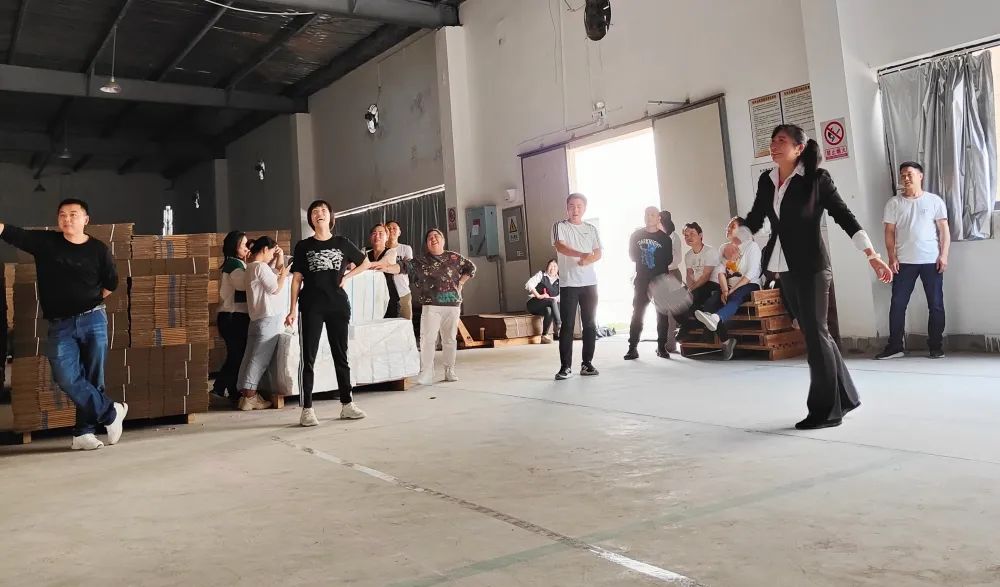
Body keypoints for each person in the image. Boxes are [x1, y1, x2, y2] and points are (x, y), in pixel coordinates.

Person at [746, 124, 892, 430]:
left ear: (799, 148)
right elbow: (756, 218)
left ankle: (826, 412)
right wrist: (738, 240)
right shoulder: (767, 180)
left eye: (781, 140)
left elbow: (844, 216)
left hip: (813, 267)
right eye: (772, 141)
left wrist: (872, 255)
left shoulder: (816, 179)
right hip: (784, 267)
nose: (774, 145)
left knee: (815, 336)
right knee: (816, 333)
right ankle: (846, 397)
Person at [0, 199, 127, 450]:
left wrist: (88, 301)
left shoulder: (98, 249)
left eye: (73, 214)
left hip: (93, 319)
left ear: (86, 219)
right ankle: (111, 412)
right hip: (61, 325)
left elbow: (111, 283)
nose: (67, 219)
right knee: (65, 376)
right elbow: (15, 234)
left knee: (93, 377)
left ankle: (83, 434)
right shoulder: (46, 243)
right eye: (62, 215)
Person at [287, 200, 370, 427]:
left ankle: (347, 404)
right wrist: (292, 309)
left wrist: (347, 277)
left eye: (323, 210)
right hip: (311, 306)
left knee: (341, 356)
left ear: (330, 216)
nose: (319, 214)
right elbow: (296, 279)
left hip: (338, 306)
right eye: (315, 212)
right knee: (308, 358)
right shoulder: (303, 246)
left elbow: (365, 263)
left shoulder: (342, 243)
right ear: (311, 219)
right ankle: (307, 409)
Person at [380, 229, 476, 385]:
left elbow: (471, 268)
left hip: (452, 304)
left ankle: (449, 370)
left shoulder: (454, 257)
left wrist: (461, 282)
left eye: (436, 236)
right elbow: (403, 267)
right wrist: (386, 267)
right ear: (427, 244)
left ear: (443, 240)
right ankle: (426, 372)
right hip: (431, 305)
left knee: (449, 339)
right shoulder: (421, 261)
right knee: (428, 340)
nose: (433, 239)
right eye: (430, 237)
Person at [876, 161, 950, 360]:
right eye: (902, 175)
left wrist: (943, 255)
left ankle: (936, 346)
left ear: (920, 176)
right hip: (904, 262)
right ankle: (895, 347)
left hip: (931, 261)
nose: (906, 178)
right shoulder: (894, 203)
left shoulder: (934, 201)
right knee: (898, 304)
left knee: (936, 304)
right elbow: (889, 232)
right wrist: (892, 257)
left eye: (909, 174)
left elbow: (944, 230)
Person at [234, 236, 290, 411]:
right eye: (272, 252)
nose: (272, 255)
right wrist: (284, 274)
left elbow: (272, 274)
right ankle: (250, 396)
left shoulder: (251, 267)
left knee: (250, 356)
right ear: (265, 249)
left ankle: (245, 394)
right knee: (259, 359)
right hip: (268, 318)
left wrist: (279, 260)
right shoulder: (260, 267)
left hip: (256, 318)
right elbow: (275, 288)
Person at [552, 193, 602, 380]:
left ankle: (587, 364)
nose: (575, 210)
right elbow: (561, 247)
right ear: (567, 208)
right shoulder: (560, 226)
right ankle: (565, 367)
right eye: (572, 206)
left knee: (590, 324)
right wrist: (581, 254)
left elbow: (598, 252)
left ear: (584, 208)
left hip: (590, 283)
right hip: (569, 283)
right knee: (567, 325)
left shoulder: (591, 228)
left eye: (579, 206)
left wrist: (588, 259)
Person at [695, 240, 763, 360]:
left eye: (733, 252)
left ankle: (715, 318)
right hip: (730, 287)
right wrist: (725, 291)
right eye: (727, 255)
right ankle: (726, 341)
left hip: (749, 285)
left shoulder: (750, 249)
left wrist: (732, 290)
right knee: (710, 303)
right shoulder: (724, 250)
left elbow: (750, 275)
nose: (730, 257)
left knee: (735, 298)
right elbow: (721, 273)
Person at [625, 206, 674, 360]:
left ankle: (661, 347)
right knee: (638, 312)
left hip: (660, 279)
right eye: (647, 214)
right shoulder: (636, 235)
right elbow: (632, 256)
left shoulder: (665, 238)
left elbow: (669, 259)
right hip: (642, 279)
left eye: (653, 214)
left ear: (658, 218)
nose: (649, 217)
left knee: (662, 313)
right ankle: (632, 348)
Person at [213, 230, 251, 407]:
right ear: (234, 247)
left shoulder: (238, 263)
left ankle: (227, 389)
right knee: (237, 355)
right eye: (243, 244)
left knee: (236, 355)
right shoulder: (234, 264)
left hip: (233, 316)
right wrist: (255, 265)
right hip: (232, 317)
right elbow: (244, 285)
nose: (247, 248)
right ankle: (221, 389)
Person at [682, 222, 719, 316]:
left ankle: (696, 320)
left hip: (712, 284)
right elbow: (689, 275)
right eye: (686, 235)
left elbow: (706, 276)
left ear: (700, 235)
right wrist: (689, 288)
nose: (689, 237)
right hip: (697, 285)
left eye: (692, 234)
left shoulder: (710, 251)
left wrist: (691, 289)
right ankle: (689, 323)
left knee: (692, 297)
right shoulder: (688, 255)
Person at [660, 210, 683, 352]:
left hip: (672, 274)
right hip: (660, 275)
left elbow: (676, 259)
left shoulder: (674, 237)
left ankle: (670, 344)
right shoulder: (657, 236)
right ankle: (663, 344)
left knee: (671, 312)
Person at [366, 224, 400, 318]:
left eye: (381, 233)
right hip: (370, 297)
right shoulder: (365, 252)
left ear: (387, 237)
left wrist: (363, 266)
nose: (377, 236)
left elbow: (380, 264)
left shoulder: (391, 252)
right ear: (370, 237)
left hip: (389, 295)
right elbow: (353, 266)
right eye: (374, 233)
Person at [525, 259, 561, 343]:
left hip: (546, 306)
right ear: (547, 267)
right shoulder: (541, 274)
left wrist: (549, 298)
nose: (552, 268)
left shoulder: (559, 281)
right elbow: (528, 284)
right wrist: (539, 296)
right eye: (550, 266)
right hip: (533, 304)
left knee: (549, 310)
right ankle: (559, 325)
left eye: (555, 266)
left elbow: (559, 297)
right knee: (552, 302)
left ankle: (544, 335)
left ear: (558, 269)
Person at [385, 220, 415, 320]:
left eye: (394, 228)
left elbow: (408, 267)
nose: (391, 230)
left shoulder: (406, 248)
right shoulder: (380, 249)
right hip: (385, 293)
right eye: (388, 228)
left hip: (403, 292)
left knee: (406, 323)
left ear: (399, 232)